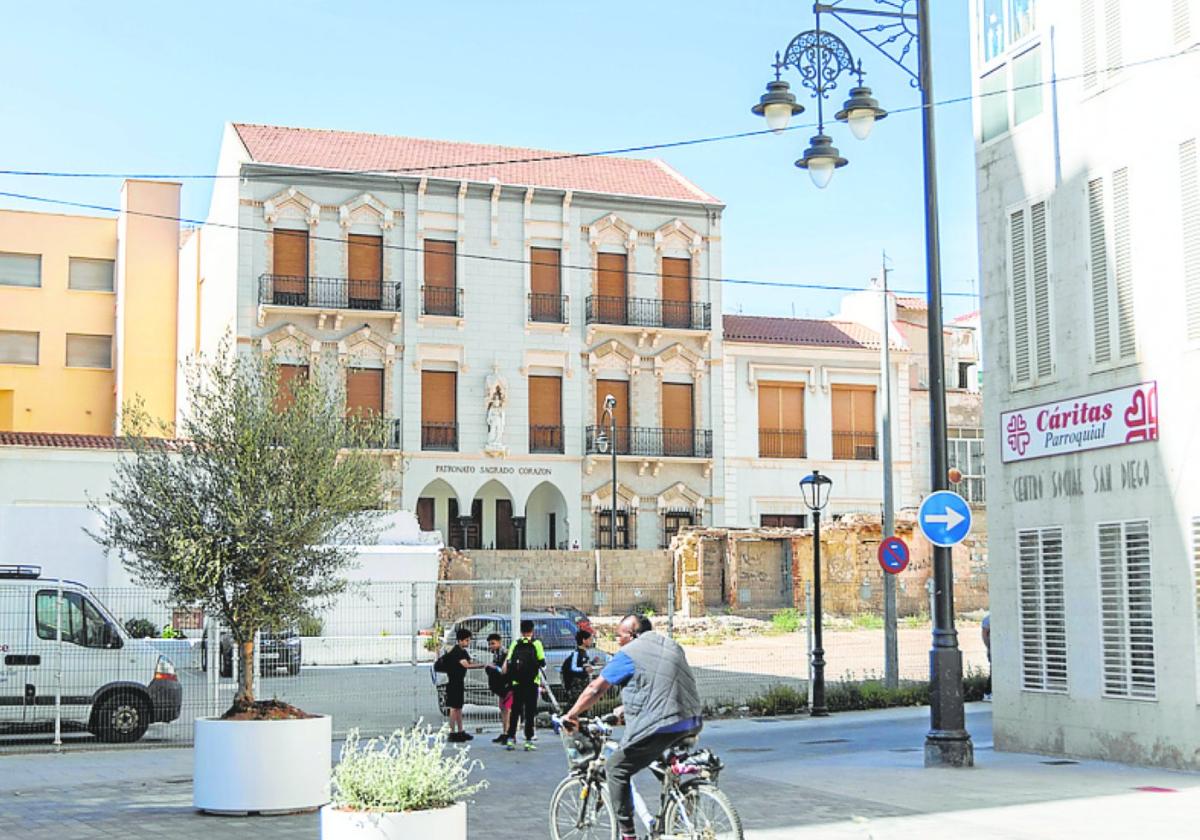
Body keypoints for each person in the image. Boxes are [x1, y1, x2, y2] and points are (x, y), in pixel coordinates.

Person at [564, 614, 702, 840]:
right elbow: (658, 686)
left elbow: (595, 690)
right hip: (691, 719)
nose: (617, 641)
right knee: (662, 762)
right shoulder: (672, 646)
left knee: (616, 769)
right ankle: (678, 806)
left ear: (632, 635)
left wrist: (572, 714)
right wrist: (623, 710)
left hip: (661, 723)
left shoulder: (628, 654)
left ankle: (628, 835)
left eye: (619, 636)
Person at [503, 619, 545, 751]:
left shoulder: (515, 643)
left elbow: (509, 661)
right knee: (530, 712)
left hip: (517, 682)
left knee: (515, 711)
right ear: (532, 631)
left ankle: (511, 739)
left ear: (521, 631)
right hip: (532, 682)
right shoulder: (536, 643)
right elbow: (542, 662)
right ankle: (528, 741)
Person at [443, 627, 486, 742]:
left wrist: (481, 663)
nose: (468, 642)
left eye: (469, 640)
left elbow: (470, 661)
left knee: (459, 708)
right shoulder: (456, 652)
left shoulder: (463, 651)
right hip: (453, 683)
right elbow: (466, 665)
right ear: (460, 641)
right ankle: (452, 732)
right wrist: (482, 666)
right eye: (466, 640)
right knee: (453, 708)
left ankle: (460, 731)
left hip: (459, 682)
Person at [484, 632, 513, 744]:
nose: (491, 646)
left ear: (499, 642)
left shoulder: (505, 654)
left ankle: (508, 733)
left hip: (507, 686)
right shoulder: (497, 653)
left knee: (507, 709)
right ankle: (505, 732)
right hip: (501, 687)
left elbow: (503, 670)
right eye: (490, 644)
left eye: (493, 643)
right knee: (503, 709)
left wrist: (492, 667)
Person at [561, 628, 595, 705]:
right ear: (584, 640)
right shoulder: (576, 653)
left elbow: (584, 664)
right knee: (575, 703)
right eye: (590, 639)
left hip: (583, 682)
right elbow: (573, 668)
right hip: (576, 684)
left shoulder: (585, 652)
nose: (591, 641)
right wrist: (584, 670)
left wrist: (592, 664)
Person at [981, 613, 992, 701]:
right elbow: (984, 635)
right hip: (992, 649)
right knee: (993, 671)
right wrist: (989, 647)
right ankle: (987, 693)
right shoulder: (988, 619)